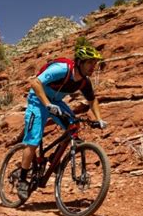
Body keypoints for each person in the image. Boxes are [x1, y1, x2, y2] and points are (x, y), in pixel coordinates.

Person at [17, 44, 107, 200]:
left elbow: (92, 100)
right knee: (33, 141)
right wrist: (47, 105)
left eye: (95, 63)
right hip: (38, 100)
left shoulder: (84, 82)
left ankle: (54, 158)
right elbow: (35, 83)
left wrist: (99, 119)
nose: (93, 66)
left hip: (56, 102)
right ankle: (22, 180)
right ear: (79, 62)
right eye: (90, 62)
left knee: (73, 126)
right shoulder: (61, 69)